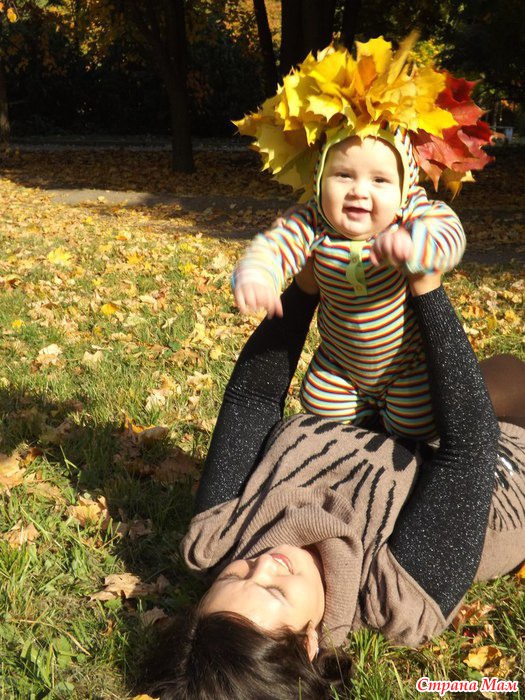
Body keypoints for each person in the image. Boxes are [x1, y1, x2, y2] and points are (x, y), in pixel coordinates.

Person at [140, 270, 525, 700]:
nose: (263, 564)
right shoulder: (397, 592)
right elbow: (470, 442)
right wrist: (425, 290)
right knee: (502, 376)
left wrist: (306, 286)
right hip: (500, 464)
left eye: (235, 575)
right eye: (274, 591)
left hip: (387, 441)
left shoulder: (220, 533)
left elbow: (253, 398)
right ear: (309, 643)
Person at [232, 37, 495, 440]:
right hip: (341, 365)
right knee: (319, 410)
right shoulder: (315, 221)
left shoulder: (408, 214)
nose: (359, 191)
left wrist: (415, 247)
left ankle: (400, 441)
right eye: (343, 176)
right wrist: (257, 275)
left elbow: (449, 232)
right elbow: (275, 244)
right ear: (319, 179)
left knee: (414, 423)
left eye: (379, 180)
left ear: (404, 187)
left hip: (405, 366)